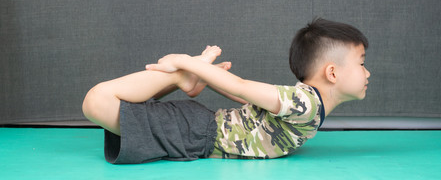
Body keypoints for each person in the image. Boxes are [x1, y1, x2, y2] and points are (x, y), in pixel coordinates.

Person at [82, 17, 370, 163]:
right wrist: (189, 63)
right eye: (362, 63)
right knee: (96, 102)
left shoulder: (307, 103)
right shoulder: (304, 103)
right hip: (197, 132)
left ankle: (184, 80)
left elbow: (244, 97)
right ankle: (183, 76)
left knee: (121, 106)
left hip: (197, 134)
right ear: (332, 72)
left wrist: (206, 77)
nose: (367, 72)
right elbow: (241, 87)